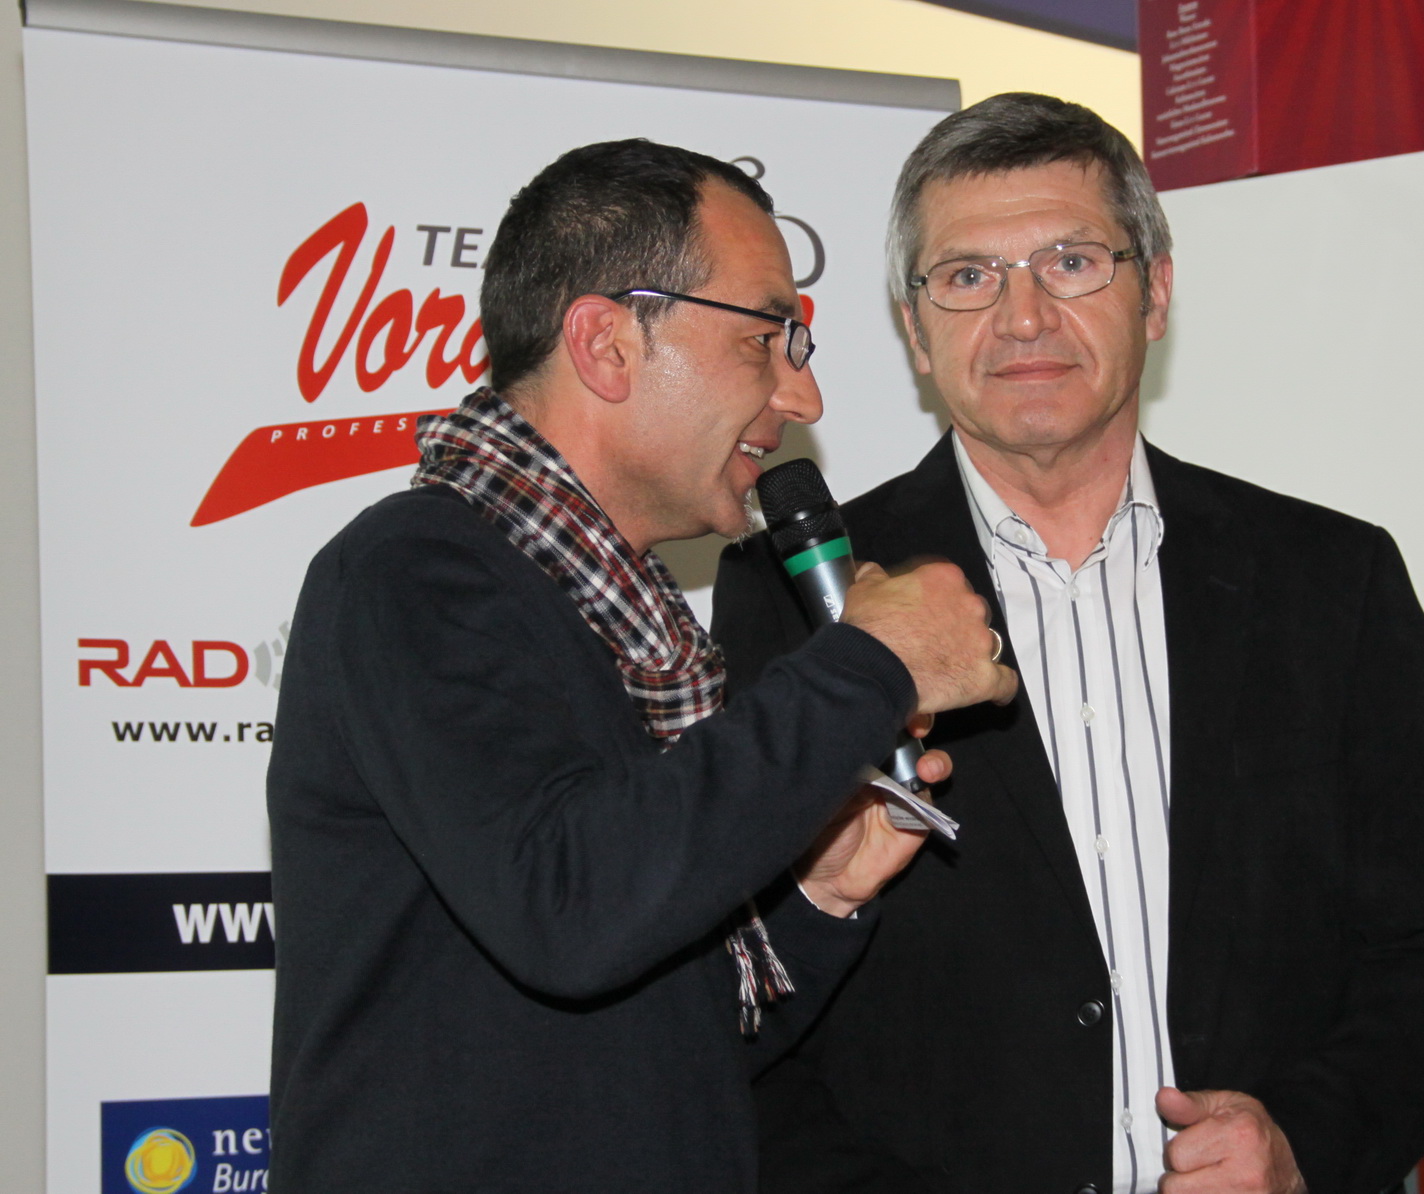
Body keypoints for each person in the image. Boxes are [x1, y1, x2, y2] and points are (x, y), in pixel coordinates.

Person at [713, 93, 1424, 1194]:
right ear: (914, 330)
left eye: (1072, 262)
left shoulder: (1331, 581)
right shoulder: (793, 598)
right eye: (968, 276)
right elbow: (735, 999)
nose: (1024, 317)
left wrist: (1303, 1143)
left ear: (1157, 292)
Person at [265, 138, 1017, 1194]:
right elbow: (570, 912)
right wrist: (867, 664)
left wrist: (819, 897)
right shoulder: (414, 571)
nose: (803, 396)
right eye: (766, 338)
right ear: (606, 344)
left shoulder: (639, 629)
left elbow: (656, 1058)